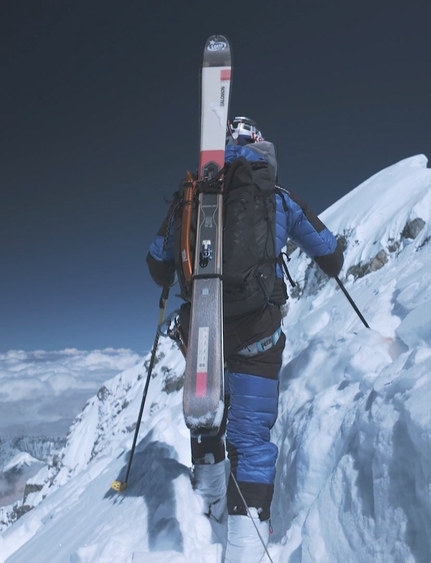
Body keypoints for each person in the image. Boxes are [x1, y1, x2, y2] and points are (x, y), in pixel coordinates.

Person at [146, 116, 343, 562]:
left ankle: (208, 502)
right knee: (251, 439)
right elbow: (329, 252)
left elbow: (157, 266)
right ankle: (243, 549)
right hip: (257, 331)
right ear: (260, 146)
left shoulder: (191, 194)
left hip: (203, 333)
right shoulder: (275, 195)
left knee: (208, 415)